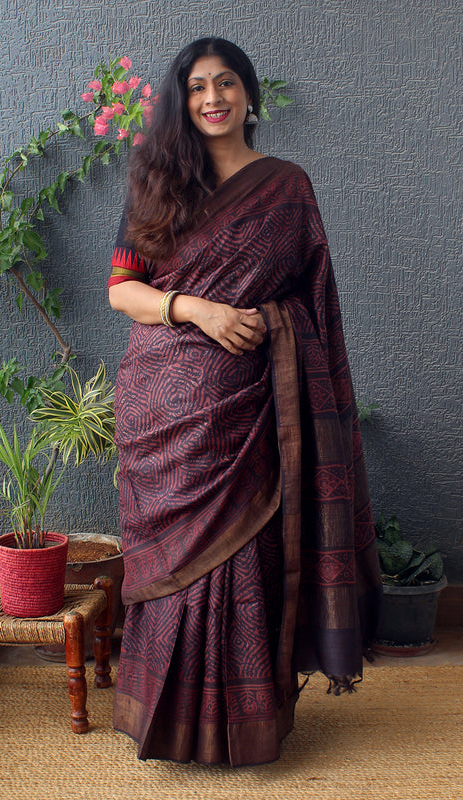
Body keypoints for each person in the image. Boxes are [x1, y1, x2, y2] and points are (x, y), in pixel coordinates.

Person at [108, 37, 382, 767]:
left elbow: (311, 295)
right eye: (197, 86)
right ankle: (168, 727)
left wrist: (272, 323)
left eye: (225, 83)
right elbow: (122, 289)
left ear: (249, 95)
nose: (212, 97)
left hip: (259, 398)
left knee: (249, 558)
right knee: (176, 569)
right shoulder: (158, 180)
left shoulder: (287, 185)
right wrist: (200, 310)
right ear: (182, 100)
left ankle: (246, 726)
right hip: (166, 407)